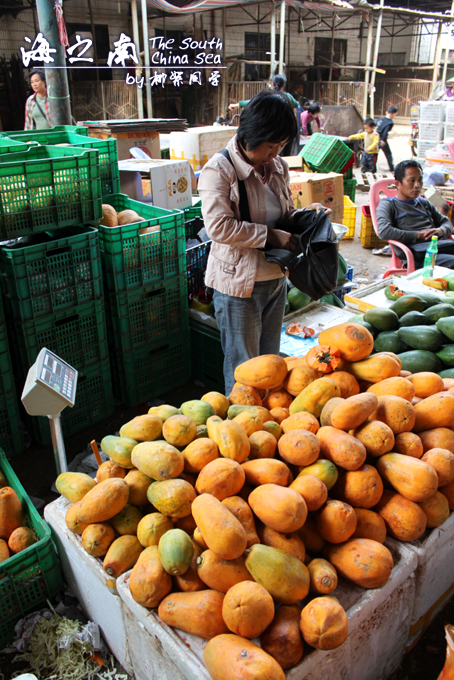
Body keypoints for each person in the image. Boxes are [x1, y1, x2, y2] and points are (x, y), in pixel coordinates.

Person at [198, 89, 330, 395]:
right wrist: (271, 236)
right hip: (239, 285)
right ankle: (242, 429)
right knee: (245, 370)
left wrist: (306, 218)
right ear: (251, 136)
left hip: (275, 278)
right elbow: (219, 226)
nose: (276, 153)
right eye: (271, 146)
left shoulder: (276, 166)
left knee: (271, 365)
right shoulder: (219, 171)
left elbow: (282, 212)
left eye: (282, 145)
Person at [376, 159, 454, 269]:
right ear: (398, 184)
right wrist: (418, 235)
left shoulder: (424, 203)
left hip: (439, 247)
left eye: (420, 180)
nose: (417, 185)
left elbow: (446, 222)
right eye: (412, 180)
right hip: (417, 255)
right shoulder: (388, 205)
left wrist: (439, 230)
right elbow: (384, 232)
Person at [229, 74, 298, 156]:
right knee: (286, 156)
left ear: (272, 84)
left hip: (272, 132)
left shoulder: (267, 96)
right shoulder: (288, 96)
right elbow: (296, 104)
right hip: (286, 131)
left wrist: (237, 105)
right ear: (283, 86)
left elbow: (252, 102)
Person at [376, 105, 398, 172]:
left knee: (374, 153)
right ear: (394, 113)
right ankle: (392, 168)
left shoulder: (380, 119)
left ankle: (372, 167)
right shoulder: (390, 122)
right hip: (381, 139)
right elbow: (385, 132)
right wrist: (383, 140)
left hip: (375, 138)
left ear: (386, 112)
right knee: (388, 154)